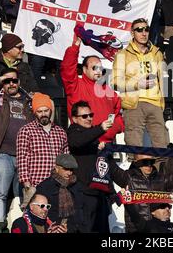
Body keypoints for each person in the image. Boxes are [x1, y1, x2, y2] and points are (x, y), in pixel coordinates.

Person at [0, 67, 34, 223]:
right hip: (2, 154)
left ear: (19, 82)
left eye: (14, 80)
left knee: (24, 196)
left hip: (26, 156)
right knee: (0, 194)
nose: (11, 84)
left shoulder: (29, 101)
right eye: (7, 81)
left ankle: (21, 227)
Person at [109, 153, 173, 233]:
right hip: (136, 230)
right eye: (145, 162)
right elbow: (112, 168)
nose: (149, 165)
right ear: (136, 162)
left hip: (160, 228)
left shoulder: (161, 179)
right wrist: (104, 152)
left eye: (152, 162)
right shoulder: (127, 177)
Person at [112, 18, 169, 148]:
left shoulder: (157, 53)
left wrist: (162, 103)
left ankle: (159, 169)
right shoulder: (123, 54)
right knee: (134, 148)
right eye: (139, 30)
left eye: (146, 29)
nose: (144, 33)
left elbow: (161, 80)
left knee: (162, 147)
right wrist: (138, 83)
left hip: (156, 104)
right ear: (132, 33)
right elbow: (115, 82)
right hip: (134, 104)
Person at [60, 36, 124, 143]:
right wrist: (75, 47)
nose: (98, 71)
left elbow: (118, 116)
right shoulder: (76, 86)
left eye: (101, 68)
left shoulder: (110, 92)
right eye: (94, 68)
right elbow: (67, 68)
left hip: (107, 145)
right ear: (84, 70)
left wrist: (113, 130)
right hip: (85, 144)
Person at [67, 100, 114, 232]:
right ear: (75, 119)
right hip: (83, 194)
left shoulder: (94, 135)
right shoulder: (73, 132)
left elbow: (106, 165)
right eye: (84, 116)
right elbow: (77, 142)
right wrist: (100, 128)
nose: (89, 118)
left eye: (90, 115)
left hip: (99, 193)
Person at [16, 92, 69, 207]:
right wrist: (27, 184)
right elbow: (22, 159)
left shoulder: (60, 132)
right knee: (36, 218)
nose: (43, 114)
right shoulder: (26, 131)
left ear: (51, 110)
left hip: (57, 185)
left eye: (46, 110)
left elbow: (66, 158)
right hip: (36, 184)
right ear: (35, 112)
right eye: (40, 111)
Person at [36, 154, 89, 233]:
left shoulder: (78, 186)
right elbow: (38, 213)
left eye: (71, 169)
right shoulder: (44, 187)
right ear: (57, 168)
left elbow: (85, 211)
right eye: (66, 169)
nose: (69, 173)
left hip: (76, 229)